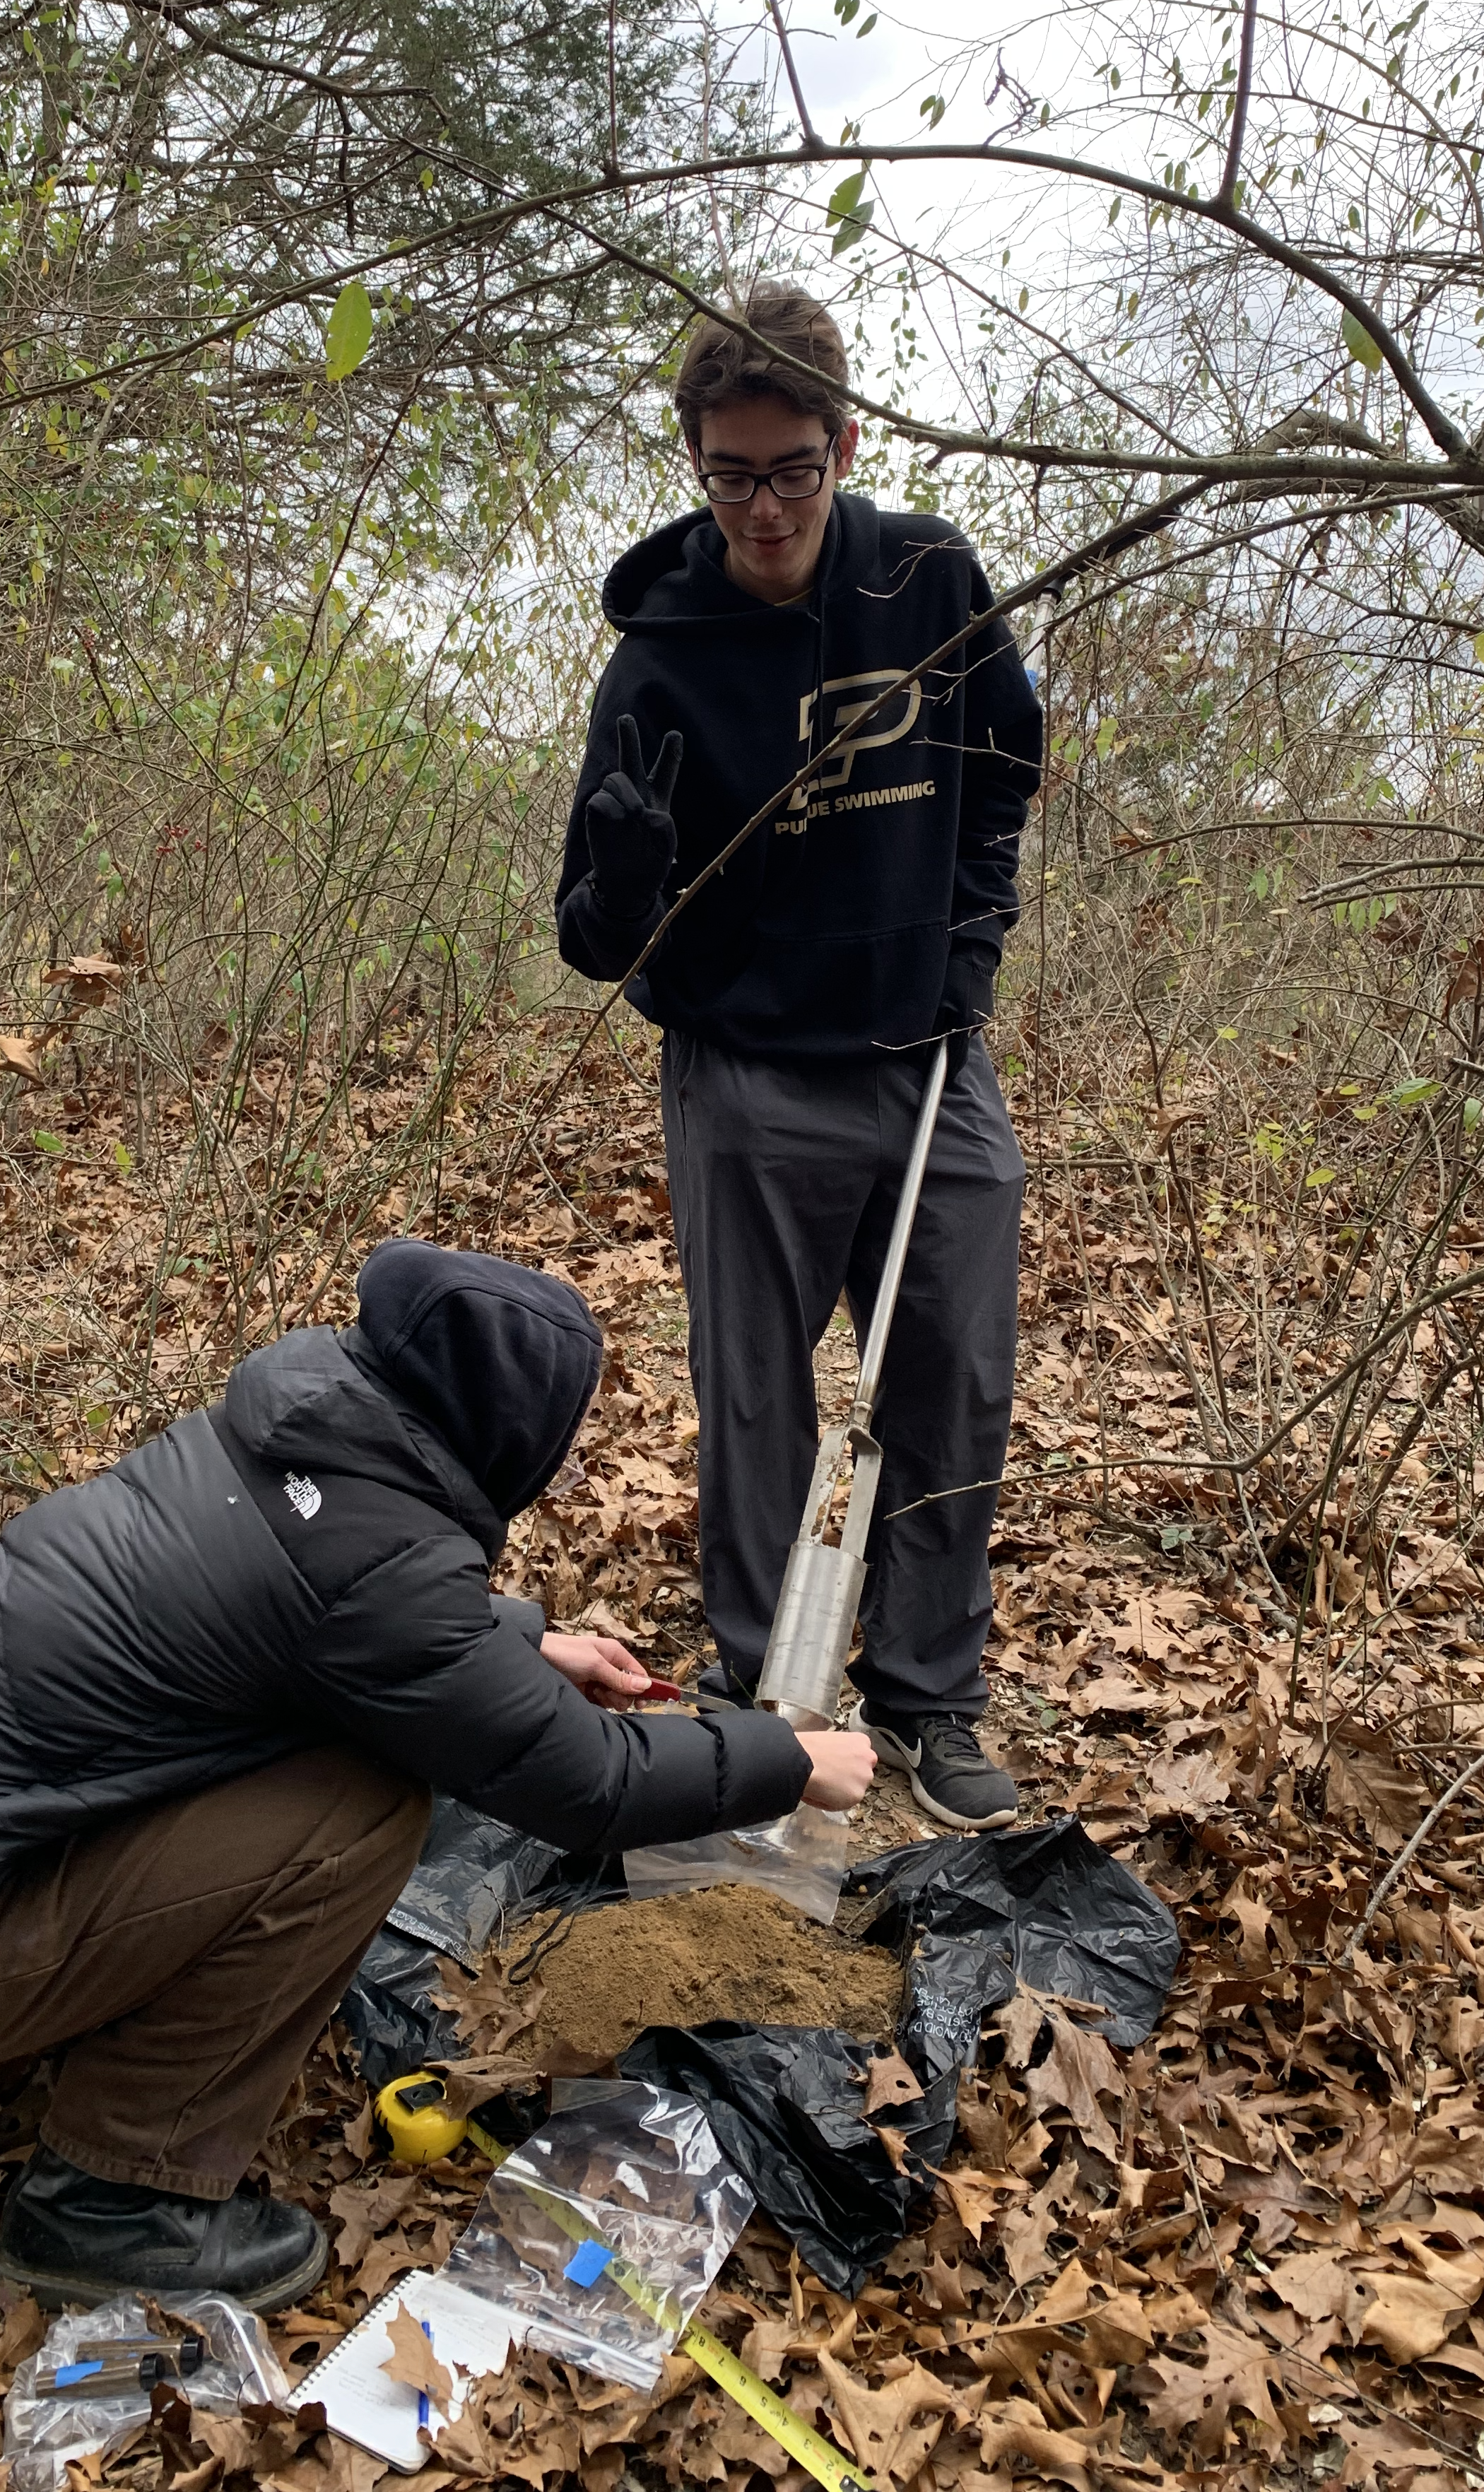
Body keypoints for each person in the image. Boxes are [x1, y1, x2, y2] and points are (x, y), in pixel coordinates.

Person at [0, 1238, 873, 2308]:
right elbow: (588, 1786)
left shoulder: (279, 1433)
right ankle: (114, 2199)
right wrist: (790, 1760)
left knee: (333, 1753)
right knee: (363, 1809)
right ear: (505, 1428)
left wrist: (528, 1642)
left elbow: (317, 1603)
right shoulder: (375, 1568)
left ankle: (88, 2028)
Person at [554, 279, 1043, 1830]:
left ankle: (929, 1701)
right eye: (730, 473)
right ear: (698, 465)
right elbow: (593, 933)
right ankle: (765, 1713)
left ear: (845, 445)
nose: (763, 509)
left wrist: (969, 948)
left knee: (953, 1390)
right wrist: (628, 881)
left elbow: (1004, 778)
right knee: (758, 1404)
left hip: (927, 1061)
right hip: (748, 1076)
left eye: (791, 470)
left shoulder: (930, 583)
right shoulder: (660, 655)